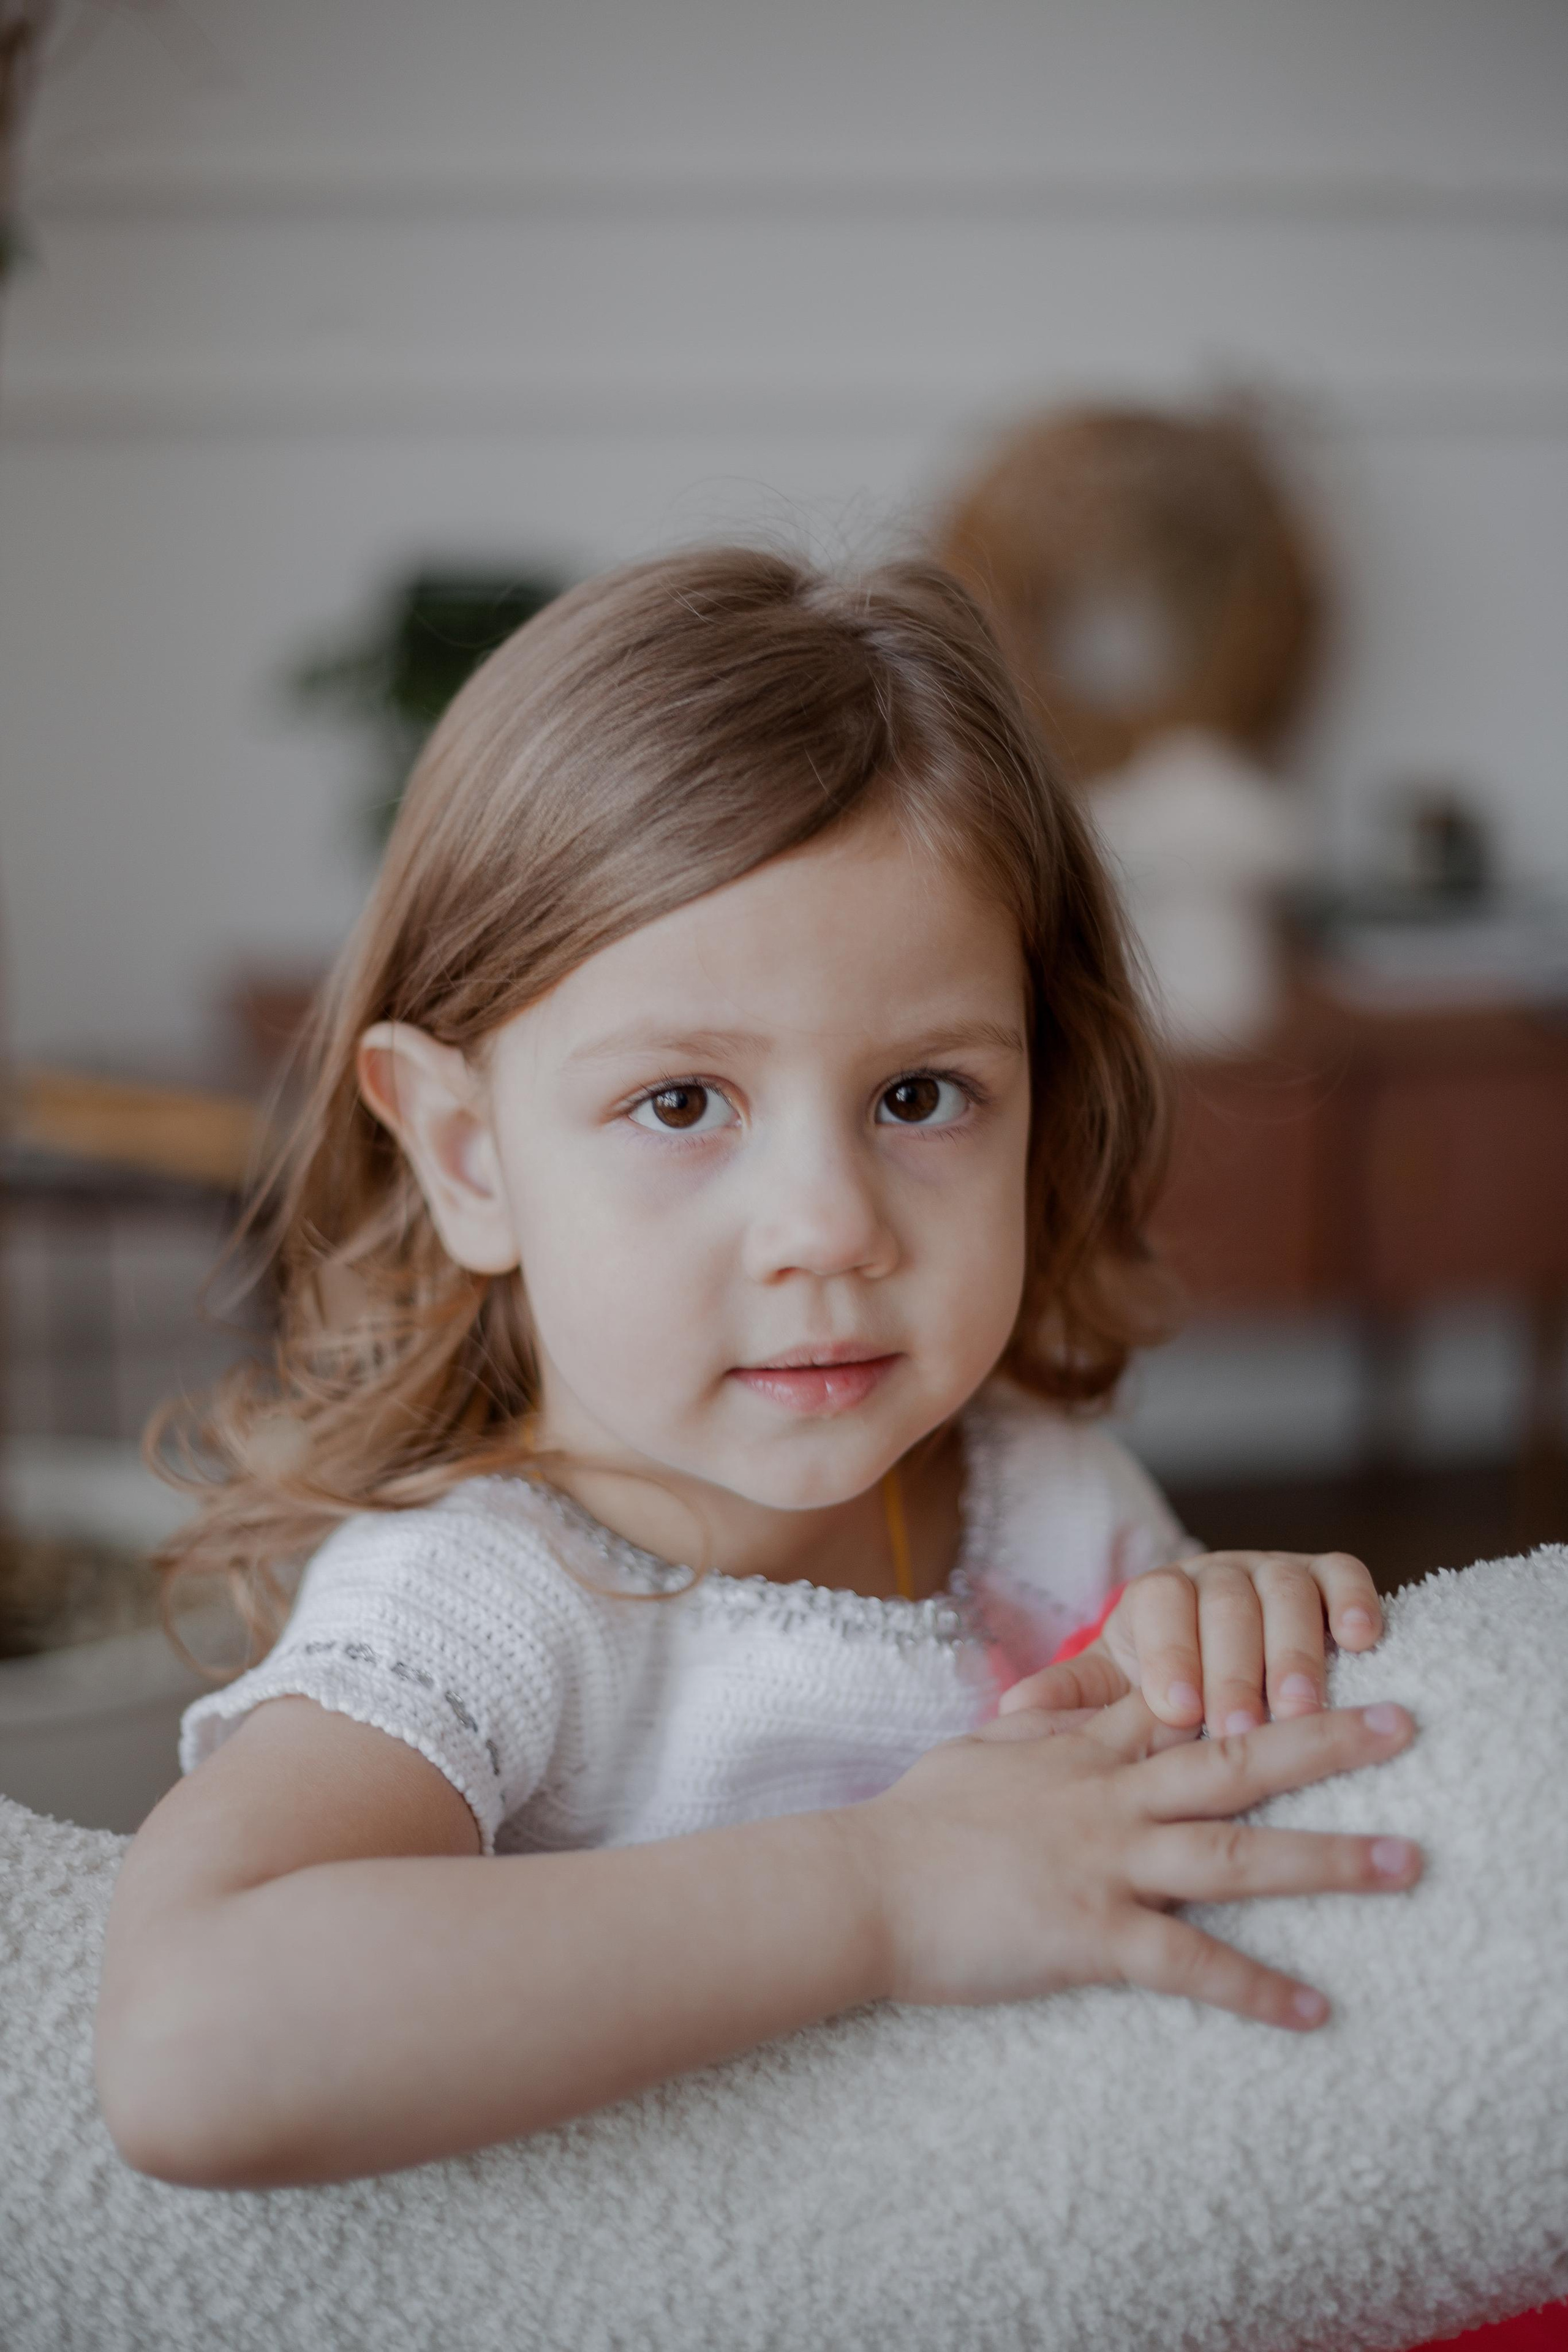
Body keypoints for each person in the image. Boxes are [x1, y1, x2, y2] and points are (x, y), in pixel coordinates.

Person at [93, 548, 1422, 2194]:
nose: (828, 1228)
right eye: (680, 1104)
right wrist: (890, 1892)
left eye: (923, 1096)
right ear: (465, 1151)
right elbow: (191, 2045)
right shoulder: (486, 1606)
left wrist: (1235, 1641)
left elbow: (1183, 1860)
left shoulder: (1050, 1496)